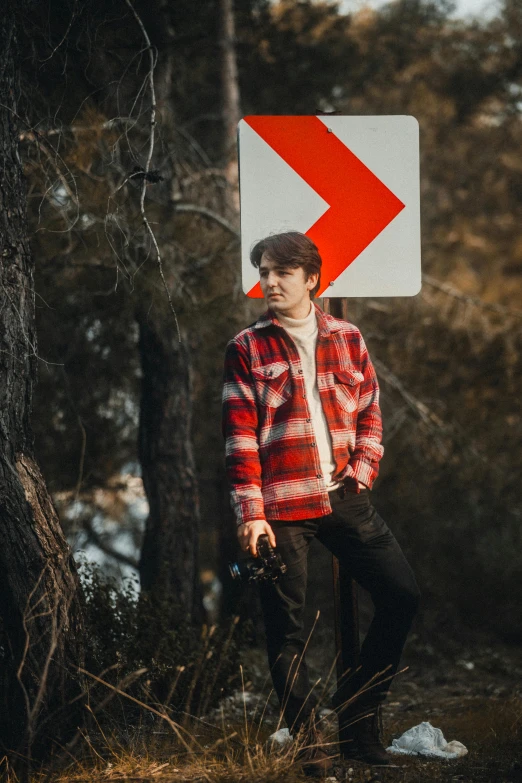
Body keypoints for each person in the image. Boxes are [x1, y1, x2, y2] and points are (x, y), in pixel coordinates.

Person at [222, 231, 420, 774]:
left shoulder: (348, 337)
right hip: (281, 508)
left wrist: (362, 470)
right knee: (288, 631)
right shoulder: (246, 347)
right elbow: (239, 439)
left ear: (313, 279)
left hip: (343, 497)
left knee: (401, 595)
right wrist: (251, 514)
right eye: (264, 271)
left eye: (283, 272)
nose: (270, 282)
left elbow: (371, 412)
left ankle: (358, 722)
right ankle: (312, 746)